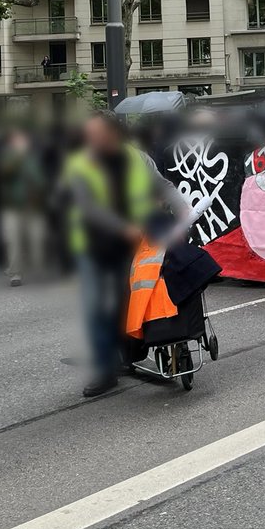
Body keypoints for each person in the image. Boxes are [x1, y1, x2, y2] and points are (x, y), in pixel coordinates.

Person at [65, 110, 188, 397]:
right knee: (97, 307)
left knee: (125, 302)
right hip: (93, 245)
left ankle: (125, 355)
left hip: (129, 245)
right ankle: (104, 370)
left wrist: (183, 213)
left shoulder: (137, 158)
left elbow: (164, 186)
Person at [0, 128, 48, 286]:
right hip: (12, 206)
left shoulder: (32, 159)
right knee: (13, 240)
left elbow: (40, 180)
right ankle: (15, 274)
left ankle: (36, 267)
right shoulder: (6, 158)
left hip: (32, 206)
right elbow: (4, 173)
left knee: (37, 237)